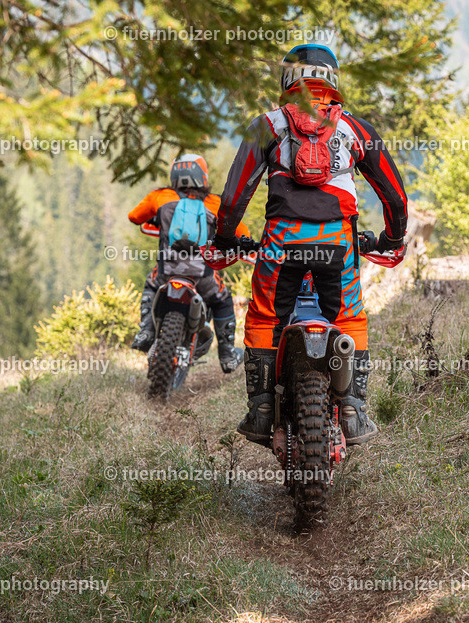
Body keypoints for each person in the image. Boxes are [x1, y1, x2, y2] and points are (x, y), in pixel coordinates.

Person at [212, 44, 407, 445]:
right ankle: (352, 410)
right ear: (333, 81)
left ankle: (263, 409)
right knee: (349, 316)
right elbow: (395, 196)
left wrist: (227, 237)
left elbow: (234, 197)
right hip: (338, 242)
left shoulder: (266, 126)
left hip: (281, 244)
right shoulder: (356, 130)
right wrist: (392, 238)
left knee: (266, 317)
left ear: (287, 80)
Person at [127, 154, 249, 374]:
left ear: (174, 175)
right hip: (202, 276)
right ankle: (228, 354)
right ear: (203, 176)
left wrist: (158, 216)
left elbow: (134, 216)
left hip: (167, 272)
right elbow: (243, 234)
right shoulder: (215, 203)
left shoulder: (160, 197)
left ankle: (145, 331)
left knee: (151, 284)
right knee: (222, 299)